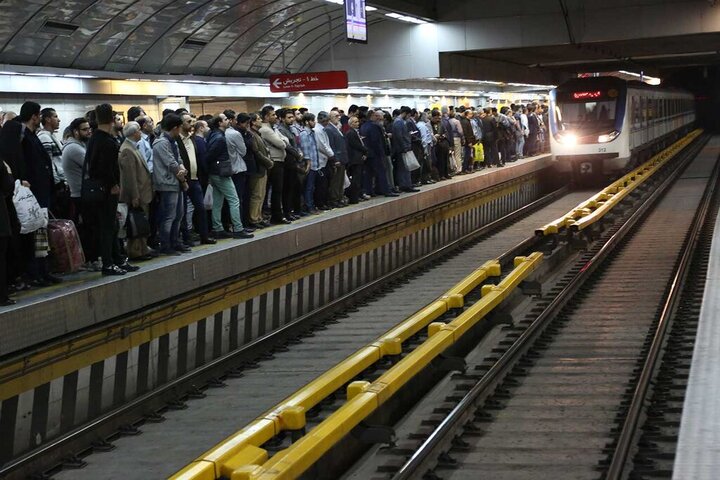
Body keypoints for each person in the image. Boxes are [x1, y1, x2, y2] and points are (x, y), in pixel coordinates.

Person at [85, 103, 138, 275]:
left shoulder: (94, 139)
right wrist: (113, 184)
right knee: (108, 227)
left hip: (98, 190)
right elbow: (104, 167)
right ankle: (108, 263)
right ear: (111, 119)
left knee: (112, 226)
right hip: (107, 190)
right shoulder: (107, 141)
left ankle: (117, 259)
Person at [206, 114, 253, 239]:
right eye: (226, 119)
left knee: (217, 201)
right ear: (220, 123)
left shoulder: (213, 134)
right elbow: (210, 155)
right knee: (234, 199)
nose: (229, 121)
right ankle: (238, 228)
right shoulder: (220, 138)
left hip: (215, 172)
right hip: (221, 172)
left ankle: (217, 228)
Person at [152, 113, 190, 254]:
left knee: (178, 214)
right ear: (175, 128)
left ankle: (175, 241)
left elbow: (178, 159)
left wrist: (183, 168)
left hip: (176, 182)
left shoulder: (172, 141)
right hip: (167, 183)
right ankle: (166, 244)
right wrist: (183, 179)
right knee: (169, 215)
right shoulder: (161, 143)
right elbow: (170, 163)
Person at [118, 121, 154, 260]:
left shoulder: (135, 147)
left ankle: (143, 249)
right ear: (134, 133)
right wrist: (134, 195)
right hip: (137, 192)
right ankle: (135, 251)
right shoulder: (127, 150)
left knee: (142, 223)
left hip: (143, 190)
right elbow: (130, 176)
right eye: (139, 130)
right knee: (136, 225)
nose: (141, 132)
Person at [177, 113, 214, 245]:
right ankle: (186, 238)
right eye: (188, 122)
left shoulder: (192, 139)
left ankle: (204, 236)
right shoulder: (176, 140)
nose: (192, 124)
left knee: (200, 208)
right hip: (183, 180)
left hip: (195, 178)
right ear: (181, 124)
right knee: (183, 210)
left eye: (192, 121)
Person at [259, 106, 291, 224]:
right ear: (266, 117)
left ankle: (276, 214)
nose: (275, 117)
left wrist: (282, 141)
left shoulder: (273, 128)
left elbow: (285, 140)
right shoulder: (265, 130)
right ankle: (275, 216)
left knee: (278, 190)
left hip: (279, 161)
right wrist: (282, 141)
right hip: (274, 162)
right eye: (273, 115)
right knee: (275, 190)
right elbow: (282, 144)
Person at [248, 113, 272, 228]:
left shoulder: (258, 134)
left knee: (261, 195)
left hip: (262, 168)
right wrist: (269, 162)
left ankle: (258, 216)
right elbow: (257, 152)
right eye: (258, 119)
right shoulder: (252, 135)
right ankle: (254, 218)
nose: (260, 120)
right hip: (257, 169)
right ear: (252, 122)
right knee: (256, 195)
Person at [344, 116, 368, 204]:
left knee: (358, 179)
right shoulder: (350, 133)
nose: (357, 123)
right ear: (350, 124)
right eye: (354, 122)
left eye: (357, 122)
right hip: (354, 159)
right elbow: (356, 145)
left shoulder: (355, 132)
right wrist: (365, 150)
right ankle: (354, 198)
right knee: (355, 179)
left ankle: (358, 195)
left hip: (358, 158)